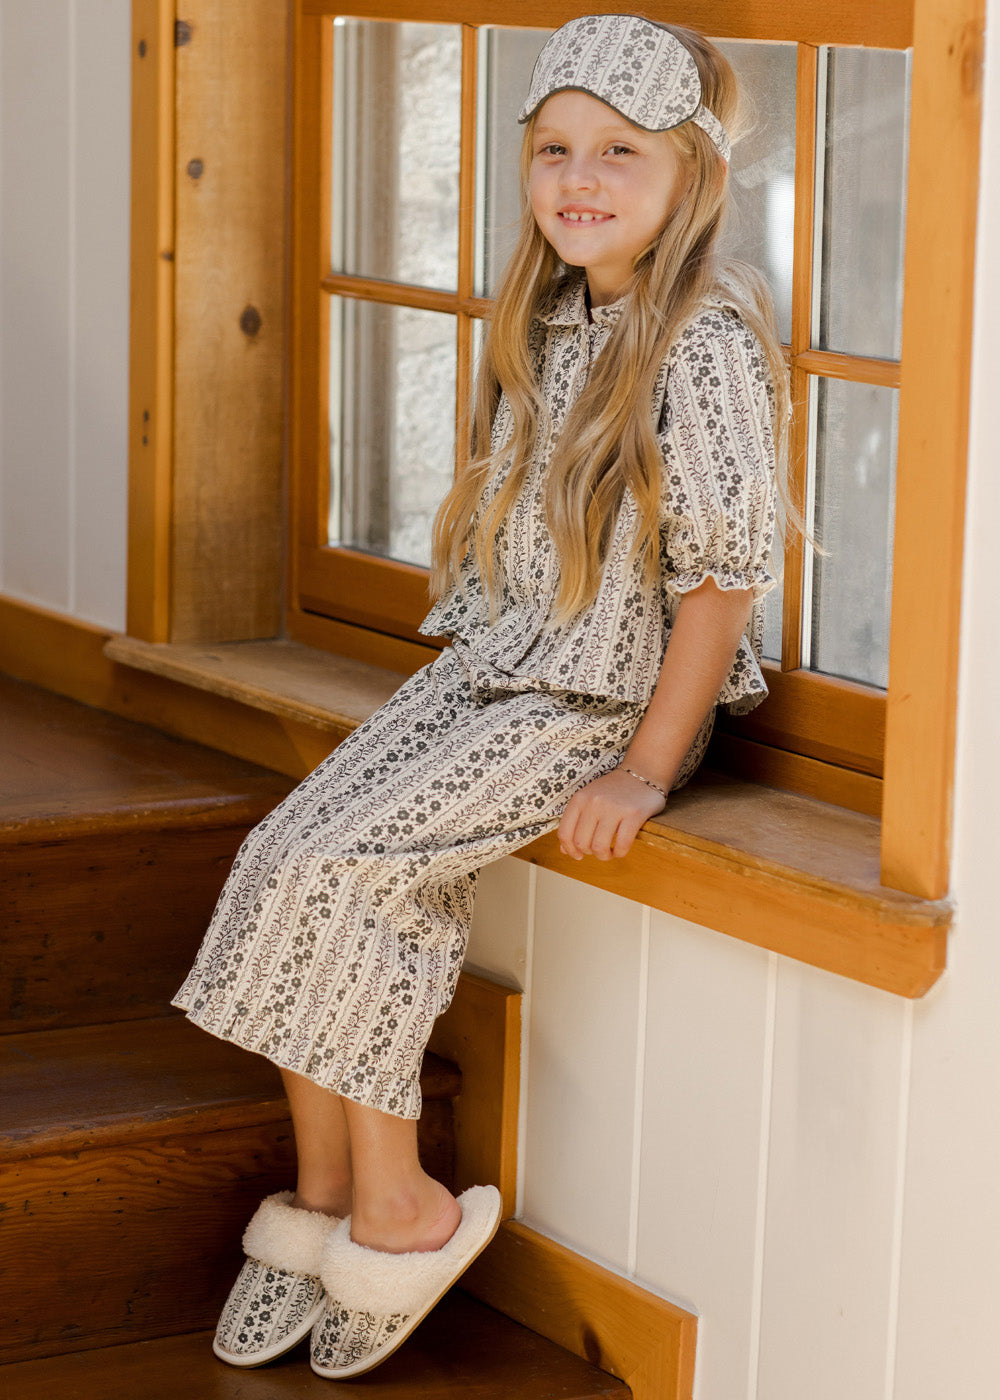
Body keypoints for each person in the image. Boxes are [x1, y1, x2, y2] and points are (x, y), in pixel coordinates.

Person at [172, 12, 789, 1381]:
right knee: (282, 854)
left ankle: (401, 1207)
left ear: (690, 171)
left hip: (600, 701)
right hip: (497, 660)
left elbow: (722, 582)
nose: (580, 178)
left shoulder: (705, 340)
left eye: (619, 152)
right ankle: (327, 1196)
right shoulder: (552, 312)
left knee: (355, 876)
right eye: (554, 149)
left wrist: (645, 767)